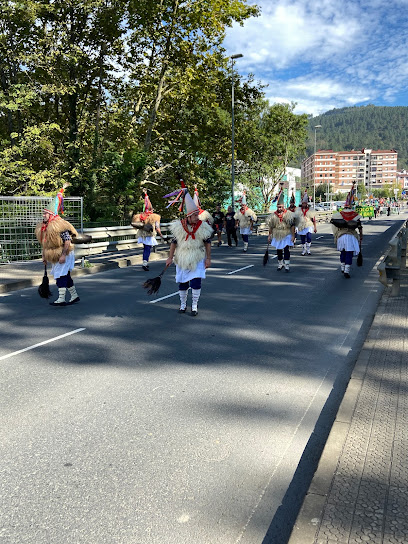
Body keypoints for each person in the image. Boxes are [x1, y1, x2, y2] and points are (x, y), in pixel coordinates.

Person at [165, 186, 213, 316]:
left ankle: (194, 306)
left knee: (196, 281)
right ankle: (182, 305)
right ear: (189, 216)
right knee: (183, 282)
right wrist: (170, 257)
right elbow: (173, 243)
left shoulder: (203, 227)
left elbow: (208, 243)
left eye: (198, 214)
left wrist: (208, 258)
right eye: (195, 215)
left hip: (197, 256)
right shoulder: (178, 226)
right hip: (182, 257)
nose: (198, 217)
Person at [35, 184, 80, 306]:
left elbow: (67, 241)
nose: (43, 215)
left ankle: (61, 298)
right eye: (43, 213)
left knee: (61, 276)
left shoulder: (60, 226)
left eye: (45, 213)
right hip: (54, 254)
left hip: (63, 253)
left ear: (51, 214)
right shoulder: (44, 227)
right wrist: (44, 256)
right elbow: (45, 243)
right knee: (65, 276)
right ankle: (74, 296)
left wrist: (63, 255)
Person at [330, 181, 363, 278]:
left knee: (343, 252)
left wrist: (336, 235)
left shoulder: (338, 215)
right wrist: (361, 236)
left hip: (341, 236)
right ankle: (346, 271)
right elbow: (360, 226)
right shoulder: (355, 215)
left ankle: (342, 267)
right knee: (349, 253)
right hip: (351, 236)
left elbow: (334, 227)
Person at [131, 190, 164, 271]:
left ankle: (145, 262)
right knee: (147, 249)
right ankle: (145, 263)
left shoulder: (140, 216)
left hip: (141, 234)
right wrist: (161, 235)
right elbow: (157, 227)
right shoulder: (155, 216)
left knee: (146, 248)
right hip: (149, 235)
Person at [267, 188, 296, 272]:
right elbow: (271, 226)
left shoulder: (288, 215)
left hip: (286, 234)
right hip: (277, 234)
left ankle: (287, 264)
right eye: (278, 207)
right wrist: (269, 235)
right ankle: (280, 264)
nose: (279, 208)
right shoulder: (273, 216)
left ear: (283, 206)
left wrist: (293, 235)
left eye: (281, 207)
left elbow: (292, 226)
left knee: (286, 249)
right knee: (279, 250)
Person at [298, 190, 317, 255]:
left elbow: (313, 219)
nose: (304, 204)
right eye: (303, 203)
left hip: (308, 225)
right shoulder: (298, 211)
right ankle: (304, 250)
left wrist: (315, 227)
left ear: (307, 203)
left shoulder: (310, 210)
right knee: (302, 239)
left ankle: (308, 249)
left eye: (305, 203)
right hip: (301, 226)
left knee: (309, 237)